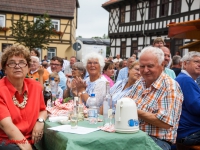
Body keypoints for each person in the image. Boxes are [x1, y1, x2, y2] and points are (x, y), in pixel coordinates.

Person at [128, 46, 183, 150]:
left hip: (157, 142)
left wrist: (134, 111)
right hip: (135, 136)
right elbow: (127, 102)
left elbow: (165, 123)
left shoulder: (170, 86)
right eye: (142, 66)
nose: (145, 70)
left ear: (162, 65)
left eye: (150, 66)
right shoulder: (140, 82)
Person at [0, 45, 47, 149]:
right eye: (12, 63)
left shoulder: (35, 86)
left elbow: (43, 110)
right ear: (4, 68)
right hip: (7, 141)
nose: (17, 66)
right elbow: (8, 127)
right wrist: (28, 148)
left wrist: (40, 122)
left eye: (22, 62)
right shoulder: (1, 89)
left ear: (28, 67)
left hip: (31, 138)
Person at [175, 51, 200, 147]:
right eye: (197, 61)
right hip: (189, 132)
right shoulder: (186, 80)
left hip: (185, 131)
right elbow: (197, 107)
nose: (199, 65)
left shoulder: (183, 79)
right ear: (184, 64)